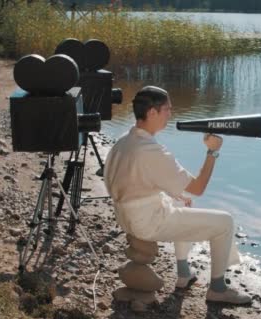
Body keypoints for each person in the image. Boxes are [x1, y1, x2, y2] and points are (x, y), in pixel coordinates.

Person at [104, 85, 251, 305]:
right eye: (167, 110)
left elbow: (136, 180)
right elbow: (199, 187)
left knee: (184, 202)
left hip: (126, 216)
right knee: (225, 222)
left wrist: (175, 195)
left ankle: (184, 273)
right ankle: (218, 289)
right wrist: (212, 152)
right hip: (146, 222)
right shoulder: (151, 151)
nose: (171, 115)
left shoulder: (125, 140)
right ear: (152, 112)